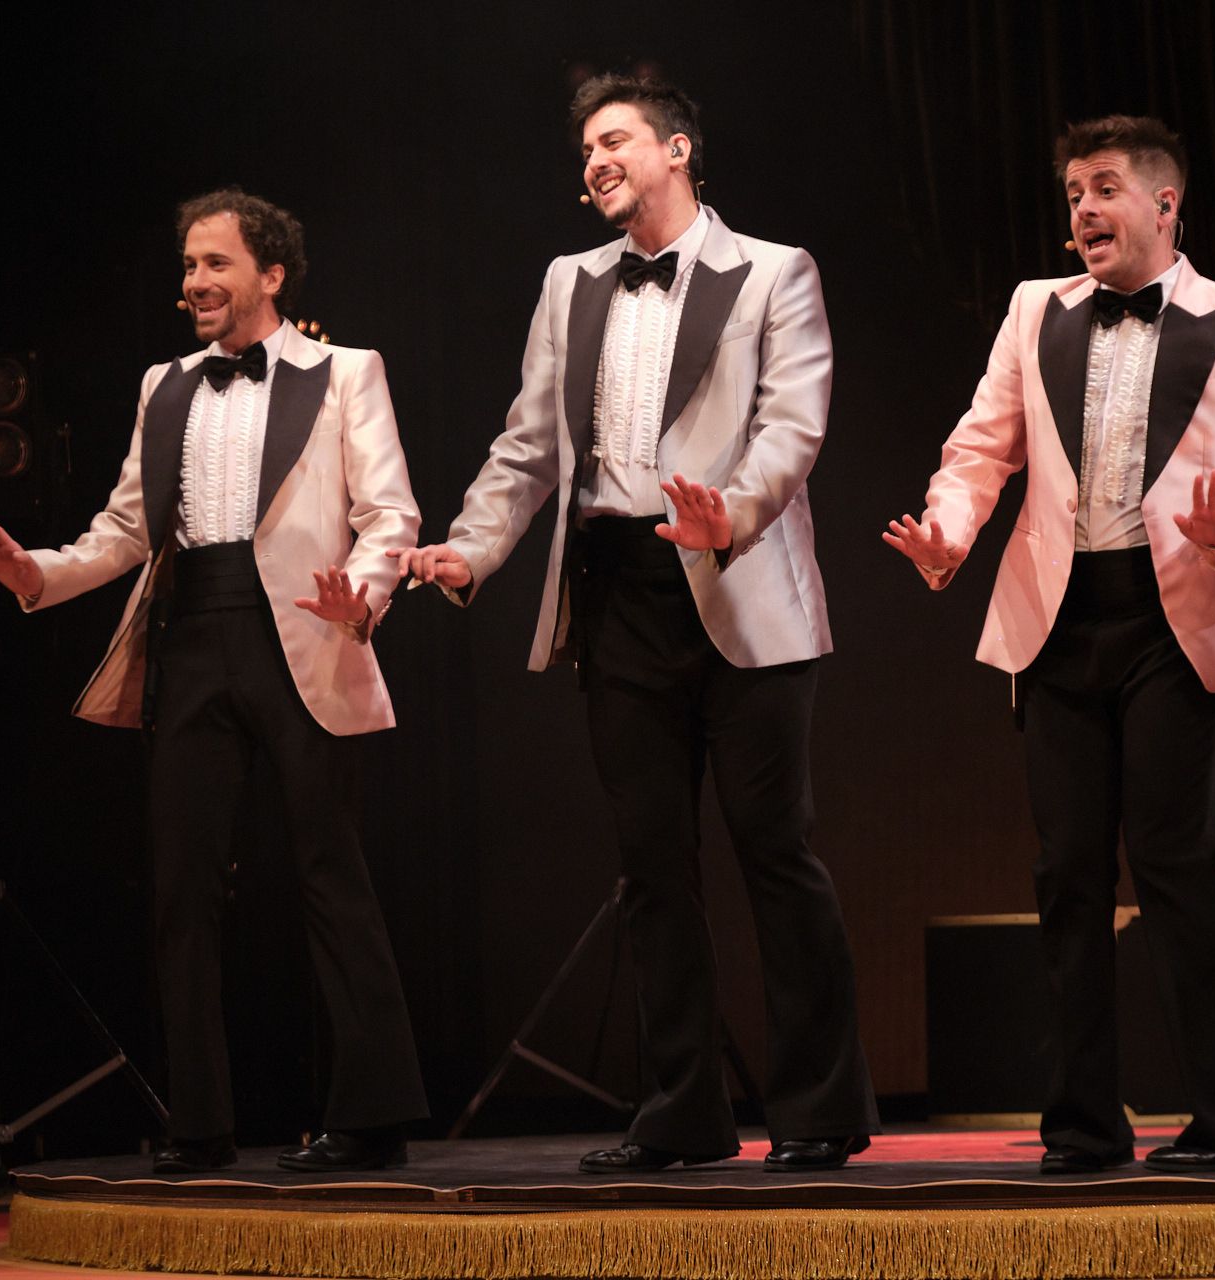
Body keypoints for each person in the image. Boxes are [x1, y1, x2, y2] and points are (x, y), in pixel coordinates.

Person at [396, 73, 877, 1173]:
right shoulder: (568, 282)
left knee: (775, 849)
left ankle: (819, 1108)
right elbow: (528, 444)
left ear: (677, 149)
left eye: (613, 140)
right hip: (616, 590)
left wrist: (730, 514)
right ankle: (682, 1113)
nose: (595, 161)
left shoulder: (773, 271)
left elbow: (793, 425)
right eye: (584, 151)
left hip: (738, 581)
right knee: (651, 864)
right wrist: (472, 547)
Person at [0, 189, 428, 1174]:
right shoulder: (163, 385)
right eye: (187, 265)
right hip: (191, 638)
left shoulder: (346, 372)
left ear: (271, 274)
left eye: (216, 263)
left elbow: (389, 513)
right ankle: (200, 1124)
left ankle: (373, 1113)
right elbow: (129, 527)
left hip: (304, 630)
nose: (195, 282)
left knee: (330, 873)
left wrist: (362, 593)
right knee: (181, 888)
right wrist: (39, 575)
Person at [886, 114, 1215, 1174]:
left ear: (1165, 204)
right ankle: (1083, 1123)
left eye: (1106, 188)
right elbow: (980, 448)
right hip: (1061, 618)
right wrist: (949, 530)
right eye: (1074, 191)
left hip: (1180, 615)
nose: (1084, 209)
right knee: (1067, 872)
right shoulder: (1035, 309)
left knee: (1175, 862)